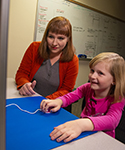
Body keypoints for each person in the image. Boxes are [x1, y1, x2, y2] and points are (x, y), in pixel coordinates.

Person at [40, 52, 125, 143]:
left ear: (114, 80)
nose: (93, 76)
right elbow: (71, 96)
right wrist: (59, 101)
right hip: (83, 132)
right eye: (92, 71)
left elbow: (112, 121)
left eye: (100, 73)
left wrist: (82, 124)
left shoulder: (117, 98)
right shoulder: (87, 87)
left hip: (102, 139)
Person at [15, 16, 79, 101]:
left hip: (51, 104)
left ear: (68, 39)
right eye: (51, 37)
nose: (54, 43)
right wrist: (24, 83)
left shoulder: (73, 60)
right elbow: (22, 73)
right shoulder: (34, 48)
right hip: (28, 98)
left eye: (60, 38)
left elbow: (66, 89)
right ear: (46, 36)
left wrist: (47, 100)